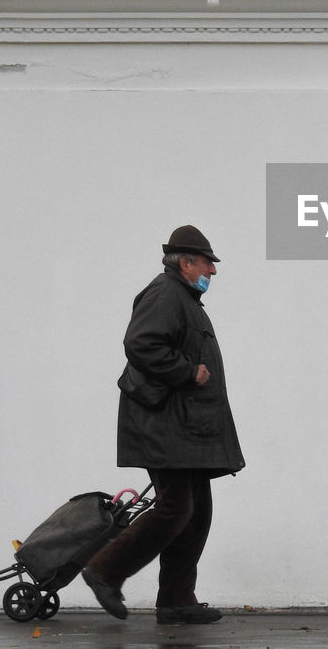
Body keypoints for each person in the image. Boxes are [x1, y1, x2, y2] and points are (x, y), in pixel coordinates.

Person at [82, 225, 246, 625]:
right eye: (208, 262)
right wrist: (188, 373)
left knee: (197, 511)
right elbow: (141, 344)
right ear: (186, 262)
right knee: (176, 509)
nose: (214, 270)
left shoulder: (184, 299)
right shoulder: (165, 293)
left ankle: (175, 600)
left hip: (184, 430)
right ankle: (104, 570)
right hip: (163, 426)